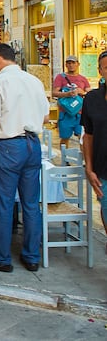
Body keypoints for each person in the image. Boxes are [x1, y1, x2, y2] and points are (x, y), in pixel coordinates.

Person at [0, 43, 49, 273]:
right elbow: (45, 117)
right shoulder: (34, 81)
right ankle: (31, 256)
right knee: (30, 203)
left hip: (9, 145)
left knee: (4, 203)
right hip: (32, 143)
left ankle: (1, 257)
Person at [80, 50, 107, 240]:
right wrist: (89, 169)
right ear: (100, 71)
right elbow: (87, 136)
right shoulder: (92, 99)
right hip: (103, 170)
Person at [53, 55, 90, 151]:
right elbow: (54, 92)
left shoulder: (83, 79)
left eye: (73, 63)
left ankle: (84, 159)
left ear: (78, 64)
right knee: (65, 138)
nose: (71, 65)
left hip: (80, 113)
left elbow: (89, 94)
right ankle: (64, 159)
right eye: (69, 63)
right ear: (66, 65)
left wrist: (82, 92)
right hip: (65, 113)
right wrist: (67, 94)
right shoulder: (60, 77)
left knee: (82, 137)